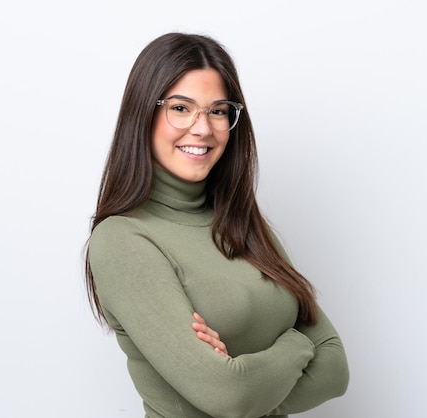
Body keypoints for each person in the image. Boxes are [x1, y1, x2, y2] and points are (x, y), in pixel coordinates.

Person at [85, 32, 349, 418]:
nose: (203, 128)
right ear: (144, 114)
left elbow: (335, 370)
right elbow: (230, 395)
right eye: (180, 108)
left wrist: (244, 382)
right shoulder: (123, 240)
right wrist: (297, 345)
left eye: (218, 110)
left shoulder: (245, 225)